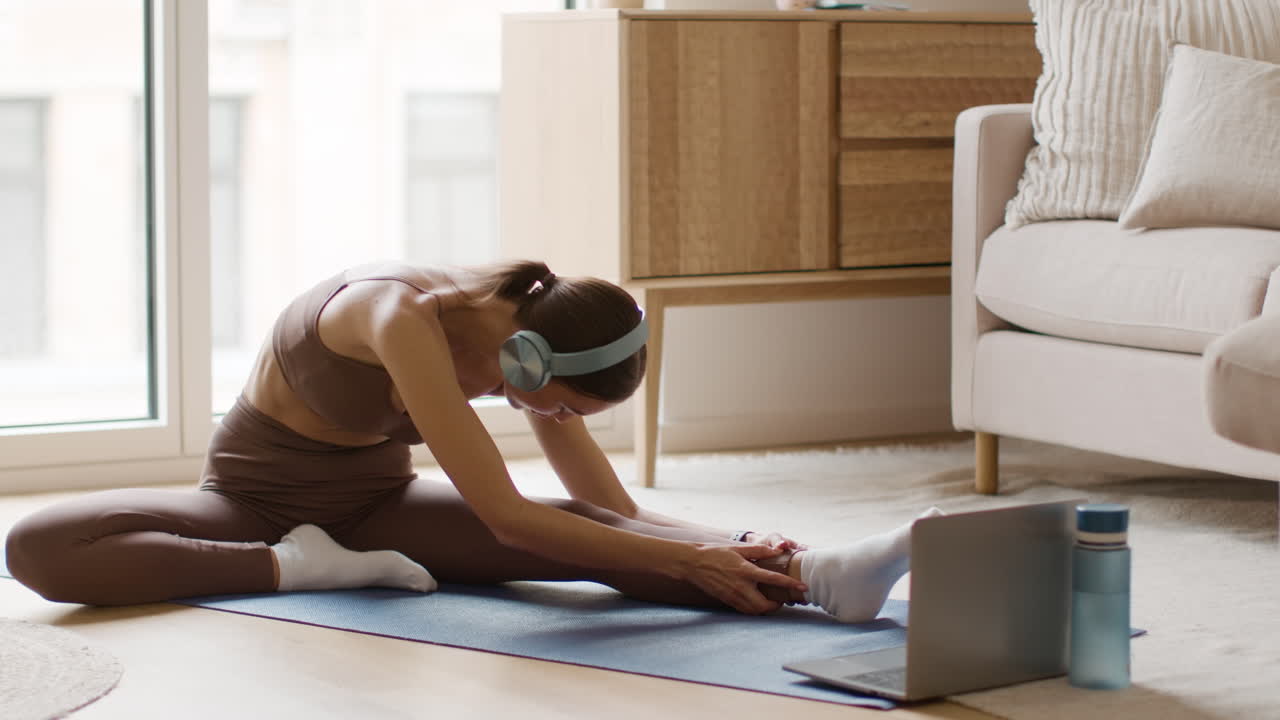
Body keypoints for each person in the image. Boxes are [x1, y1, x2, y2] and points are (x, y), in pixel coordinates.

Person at [5, 260, 935, 621]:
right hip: (249, 502)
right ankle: (302, 571)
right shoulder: (397, 318)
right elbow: (506, 516)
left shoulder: (527, 339)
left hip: (376, 508)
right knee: (39, 545)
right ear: (530, 359)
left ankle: (821, 576)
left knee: (592, 537)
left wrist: (732, 546)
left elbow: (603, 508)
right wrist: (688, 560)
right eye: (558, 408)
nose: (551, 421)